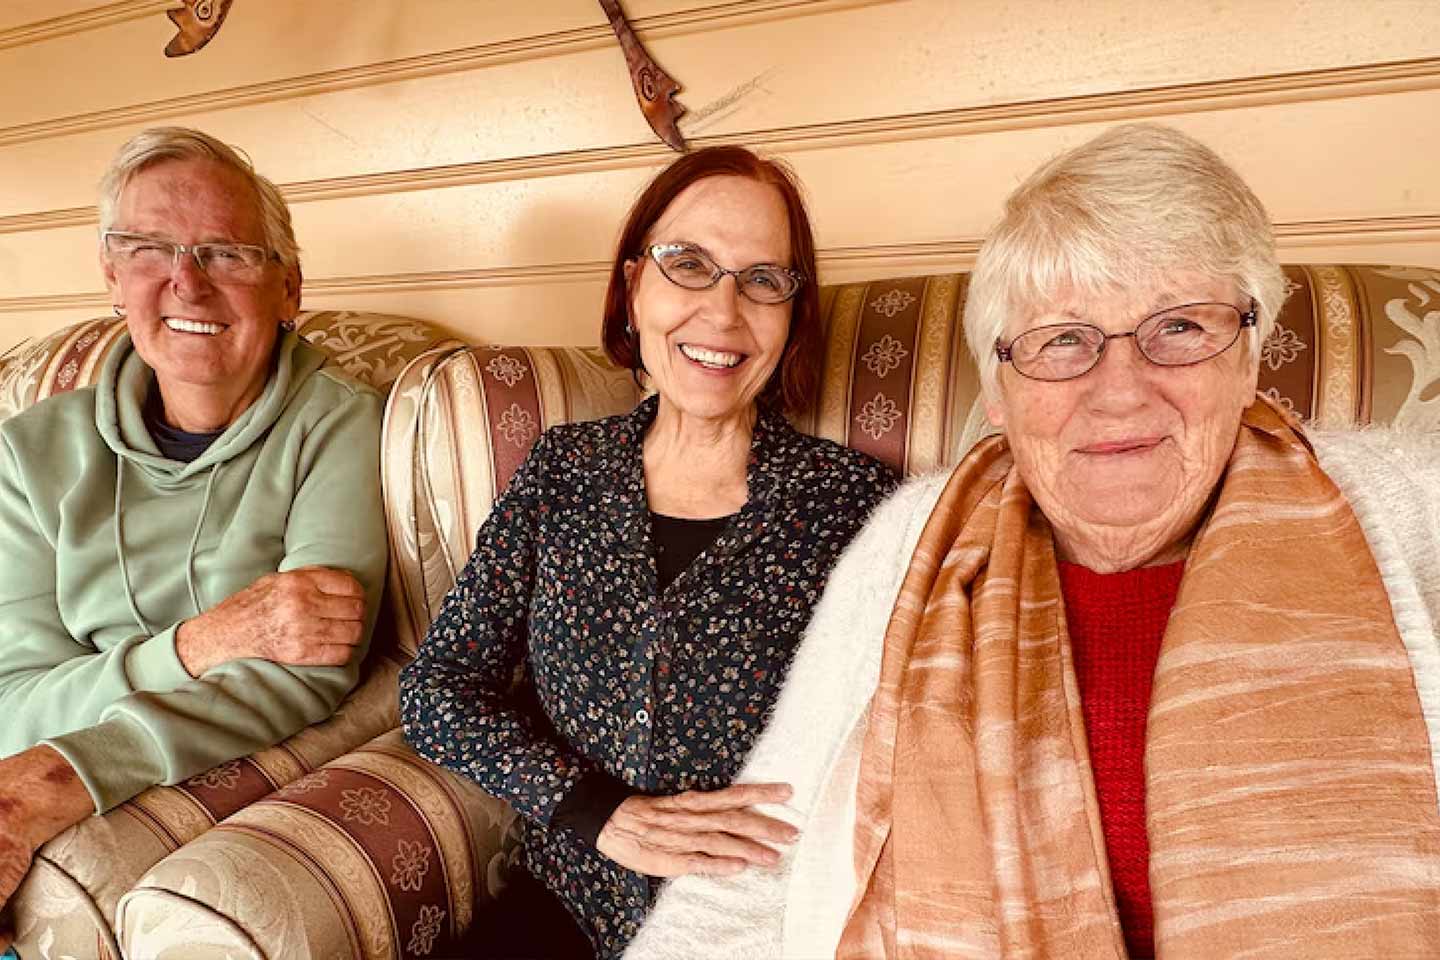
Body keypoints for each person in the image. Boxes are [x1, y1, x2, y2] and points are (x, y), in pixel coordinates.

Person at [627, 123, 1440, 959]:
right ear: (1001, 393)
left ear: (1250, 355)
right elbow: (759, 852)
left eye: (1182, 328)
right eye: (1062, 340)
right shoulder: (913, 542)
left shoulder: (1406, 507)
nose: (1120, 392)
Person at [399, 145, 897, 959]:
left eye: (764, 280)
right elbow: (435, 689)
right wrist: (599, 812)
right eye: (689, 264)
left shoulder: (853, 504)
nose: (725, 312)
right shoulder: (564, 469)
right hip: (564, 899)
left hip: (752, 923)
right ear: (634, 287)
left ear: (793, 317)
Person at [0, 127, 387, 952]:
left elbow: (303, 672)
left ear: (289, 289)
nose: (186, 282)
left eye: (228, 253)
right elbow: (10, 701)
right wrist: (207, 640)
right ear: (112, 275)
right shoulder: (28, 450)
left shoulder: (339, 423)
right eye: (148, 248)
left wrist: (72, 770)